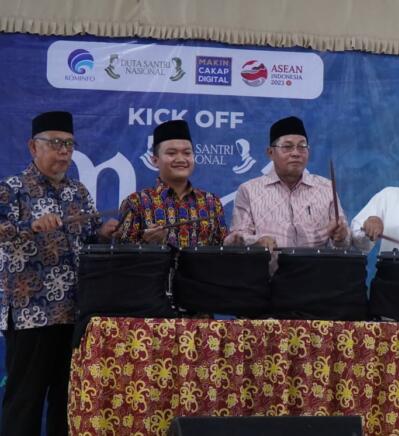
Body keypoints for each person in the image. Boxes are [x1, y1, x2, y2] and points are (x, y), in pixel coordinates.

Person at [0, 111, 118, 435]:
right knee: (25, 400)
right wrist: (30, 226)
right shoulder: (12, 189)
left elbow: (90, 239)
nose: (64, 151)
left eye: (68, 144)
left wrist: (105, 233)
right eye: (55, 144)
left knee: (67, 400)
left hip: (74, 314)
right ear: (32, 147)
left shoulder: (78, 192)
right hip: (31, 315)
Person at [227, 116, 349, 250]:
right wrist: (258, 241)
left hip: (315, 267)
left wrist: (342, 236)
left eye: (302, 146)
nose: (296, 153)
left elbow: (344, 242)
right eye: (287, 147)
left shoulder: (326, 188)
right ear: (270, 153)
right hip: (269, 266)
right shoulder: (249, 190)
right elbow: (235, 238)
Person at [118, 119, 227, 247]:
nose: (181, 159)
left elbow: (222, 253)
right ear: (155, 160)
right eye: (171, 153)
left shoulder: (212, 202)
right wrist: (148, 243)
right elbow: (123, 257)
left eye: (187, 153)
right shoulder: (136, 202)